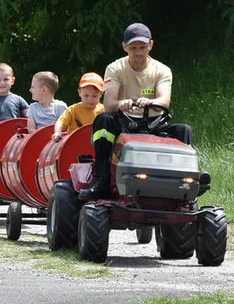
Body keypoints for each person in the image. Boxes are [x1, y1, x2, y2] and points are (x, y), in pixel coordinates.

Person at [79, 23, 193, 200]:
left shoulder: (162, 70)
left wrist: (151, 102)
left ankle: (182, 185)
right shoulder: (115, 68)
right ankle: (102, 180)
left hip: (154, 123)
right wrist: (121, 103)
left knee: (183, 130)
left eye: (142, 47)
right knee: (104, 120)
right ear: (125, 47)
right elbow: (109, 103)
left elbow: (164, 100)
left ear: (151, 45)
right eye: (133, 48)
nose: (138, 52)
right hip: (124, 122)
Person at [52, 73, 105, 141]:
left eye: (94, 96)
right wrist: (57, 132)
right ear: (79, 92)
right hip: (75, 144)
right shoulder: (73, 110)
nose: (90, 99)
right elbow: (61, 122)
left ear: (101, 94)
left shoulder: (104, 111)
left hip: (97, 145)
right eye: (86, 96)